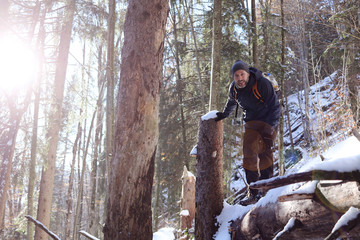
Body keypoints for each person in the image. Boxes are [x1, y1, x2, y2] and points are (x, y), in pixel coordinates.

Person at [215, 60, 281, 205]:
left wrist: (269, 128)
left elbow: (275, 107)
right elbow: (232, 102)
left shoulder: (262, 84)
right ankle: (253, 192)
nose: (240, 78)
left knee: (264, 152)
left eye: (242, 74)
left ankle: (266, 189)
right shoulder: (234, 88)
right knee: (248, 155)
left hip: (268, 119)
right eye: (236, 76)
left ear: (248, 74)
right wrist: (225, 114)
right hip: (251, 121)